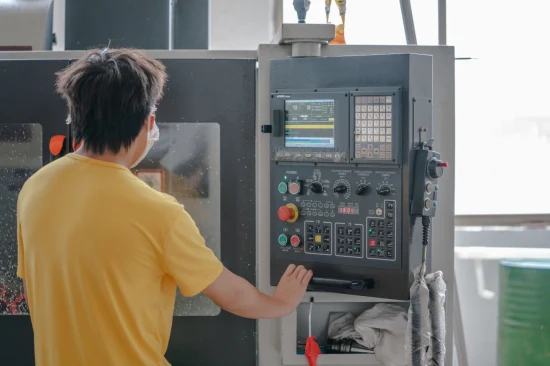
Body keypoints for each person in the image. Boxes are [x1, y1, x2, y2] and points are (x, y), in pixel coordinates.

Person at [16, 48, 313, 366]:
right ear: (148, 122)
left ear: (75, 116)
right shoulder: (159, 213)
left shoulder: (35, 188)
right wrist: (281, 303)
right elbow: (231, 295)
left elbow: (36, 294)